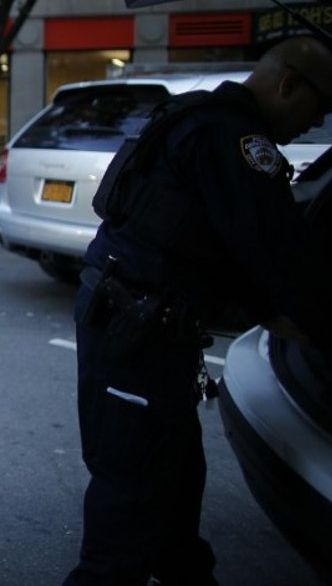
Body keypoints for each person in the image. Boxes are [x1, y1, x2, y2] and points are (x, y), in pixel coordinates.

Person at [62, 35, 332, 586]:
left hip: (138, 326)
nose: (316, 123)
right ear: (289, 85)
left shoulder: (194, 117)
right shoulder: (234, 139)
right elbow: (277, 252)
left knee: (173, 491)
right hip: (140, 333)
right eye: (319, 107)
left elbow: (213, 240)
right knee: (129, 512)